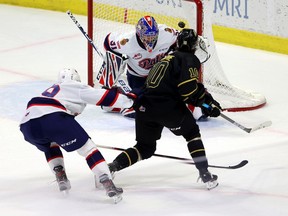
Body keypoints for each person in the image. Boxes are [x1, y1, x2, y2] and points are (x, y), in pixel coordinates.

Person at [107, 28, 222, 190]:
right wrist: (206, 105)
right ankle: (205, 174)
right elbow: (188, 91)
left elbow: (190, 87)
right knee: (191, 133)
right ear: (193, 45)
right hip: (166, 107)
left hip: (144, 105)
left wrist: (208, 101)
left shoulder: (166, 58)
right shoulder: (189, 59)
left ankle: (112, 167)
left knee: (144, 148)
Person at [19, 68, 135, 203]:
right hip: (53, 118)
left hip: (27, 126)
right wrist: (130, 100)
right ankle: (107, 181)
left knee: (50, 144)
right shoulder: (73, 86)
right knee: (88, 149)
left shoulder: (50, 91)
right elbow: (104, 97)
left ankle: (60, 176)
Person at [100, 15, 178, 117]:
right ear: (139, 34)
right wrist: (113, 62)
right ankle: (115, 93)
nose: (150, 40)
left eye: (153, 36)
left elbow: (180, 40)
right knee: (139, 108)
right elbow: (108, 42)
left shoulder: (166, 33)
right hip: (137, 78)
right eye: (147, 37)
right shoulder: (126, 42)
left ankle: (125, 100)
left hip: (159, 76)